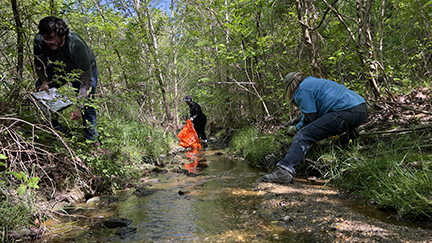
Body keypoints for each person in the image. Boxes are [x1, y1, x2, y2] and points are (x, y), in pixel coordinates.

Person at [262, 71, 368, 184]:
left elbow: (310, 118)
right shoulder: (311, 83)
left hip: (347, 111)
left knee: (305, 134)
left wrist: (296, 129)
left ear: (289, 88)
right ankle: (350, 139)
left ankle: (284, 170)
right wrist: (295, 121)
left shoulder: (301, 90)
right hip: (361, 109)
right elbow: (313, 112)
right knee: (322, 125)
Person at [33, 16, 99, 147]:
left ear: (62, 34)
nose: (48, 42)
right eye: (45, 38)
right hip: (60, 67)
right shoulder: (40, 40)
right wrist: (45, 81)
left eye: (52, 38)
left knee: (87, 105)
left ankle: (93, 143)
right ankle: (55, 129)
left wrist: (79, 105)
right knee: (40, 86)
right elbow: (39, 65)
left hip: (83, 71)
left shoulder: (75, 44)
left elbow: (86, 79)